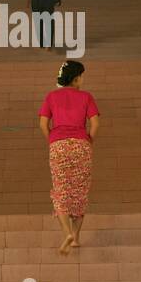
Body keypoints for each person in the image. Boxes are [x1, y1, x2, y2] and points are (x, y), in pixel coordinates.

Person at [38, 60, 100, 254]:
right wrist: (88, 140)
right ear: (75, 79)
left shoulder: (51, 97)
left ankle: (67, 233)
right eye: (82, 76)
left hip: (58, 146)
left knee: (61, 190)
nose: (83, 79)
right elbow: (95, 124)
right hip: (81, 145)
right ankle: (76, 238)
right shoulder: (87, 97)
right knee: (80, 192)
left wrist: (54, 141)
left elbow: (42, 124)